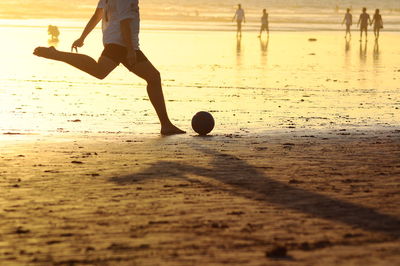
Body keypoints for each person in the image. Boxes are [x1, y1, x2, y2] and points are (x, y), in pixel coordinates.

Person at [33, 0, 185, 135]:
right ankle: (165, 125)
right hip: (122, 44)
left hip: (114, 42)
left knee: (150, 77)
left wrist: (82, 37)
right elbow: (124, 22)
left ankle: (166, 124)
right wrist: (131, 50)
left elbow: (97, 15)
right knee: (146, 77)